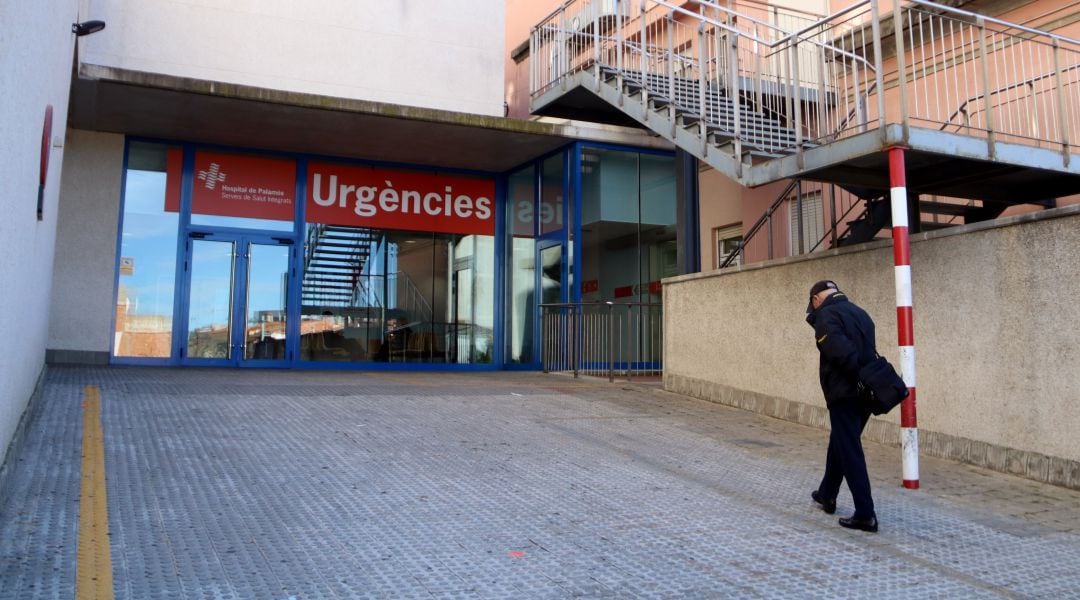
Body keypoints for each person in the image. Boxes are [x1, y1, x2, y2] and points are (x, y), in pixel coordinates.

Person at [805, 280, 879, 533]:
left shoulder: (826, 315)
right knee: (841, 442)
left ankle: (865, 514)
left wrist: (855, 377)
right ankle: (827, 493)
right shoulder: (860, 312)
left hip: (845, 392)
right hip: (867, 391)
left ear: (817, 299)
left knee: (849, 450)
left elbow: (840, 352)